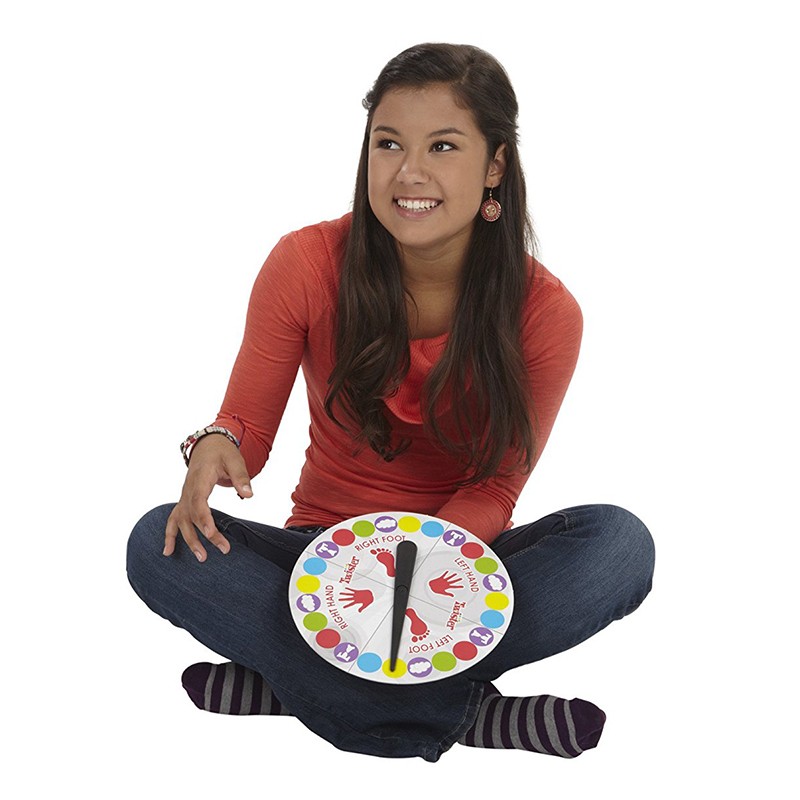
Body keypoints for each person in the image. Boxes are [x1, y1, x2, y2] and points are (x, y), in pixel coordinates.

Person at [126, 43, 655, 762]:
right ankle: (465, 715)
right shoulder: (305, 262)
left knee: (618, 545)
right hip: (321, 565)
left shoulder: (546, 312)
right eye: (389, 143)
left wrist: (414, 574)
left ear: (495, 165)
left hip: (456, 574)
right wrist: (216, 444)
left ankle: (297, 685)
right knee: (157, 542)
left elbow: (497, 487)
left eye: (443, 146)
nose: (409, 171)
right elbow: (243, 426)